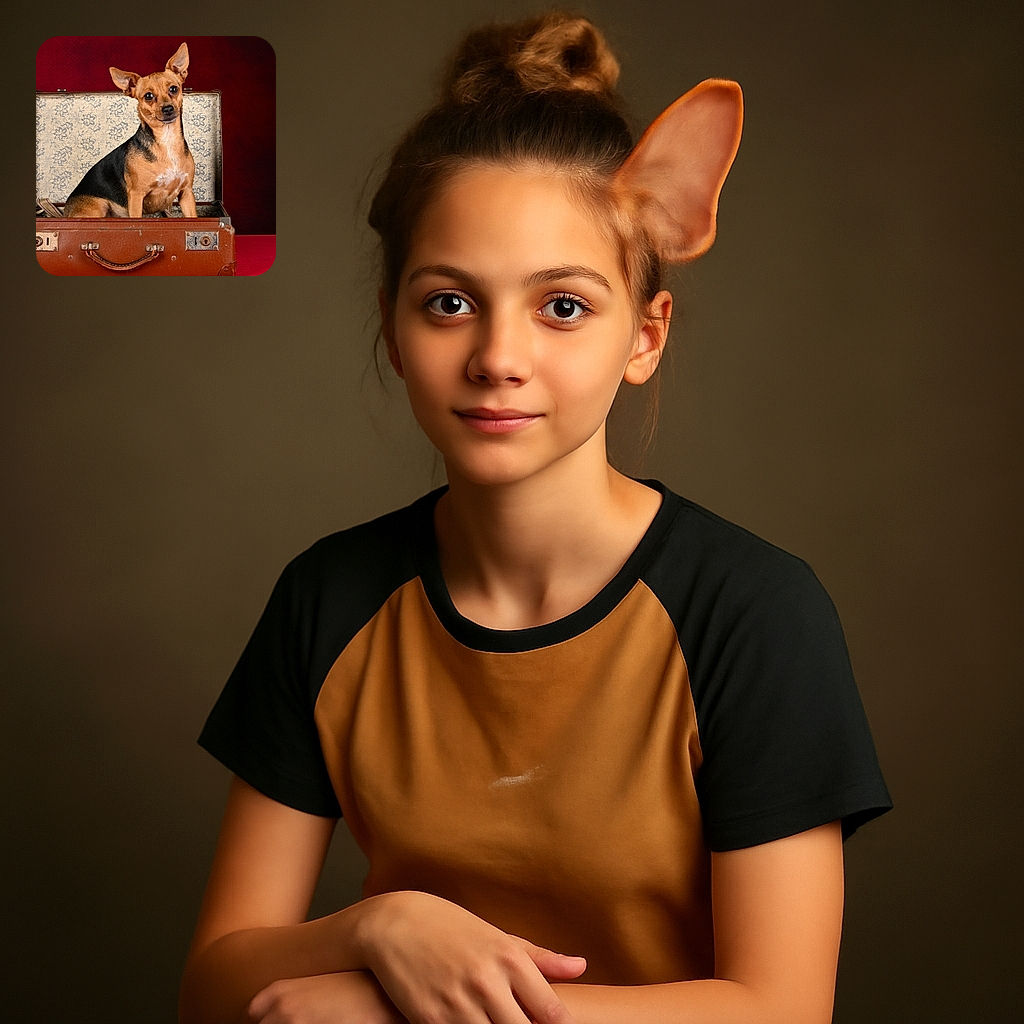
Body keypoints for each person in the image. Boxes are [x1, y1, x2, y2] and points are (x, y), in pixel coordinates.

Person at [179, 12, 891, 1024]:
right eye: (448, 303)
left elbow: (780, 1009)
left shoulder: (754, 612)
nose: (497, 357)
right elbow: (210, 988)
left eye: (562, 306)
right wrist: (375, 929)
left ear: (644, 334)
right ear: (391, 325)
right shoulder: (329, 597)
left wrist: (406, 1017)